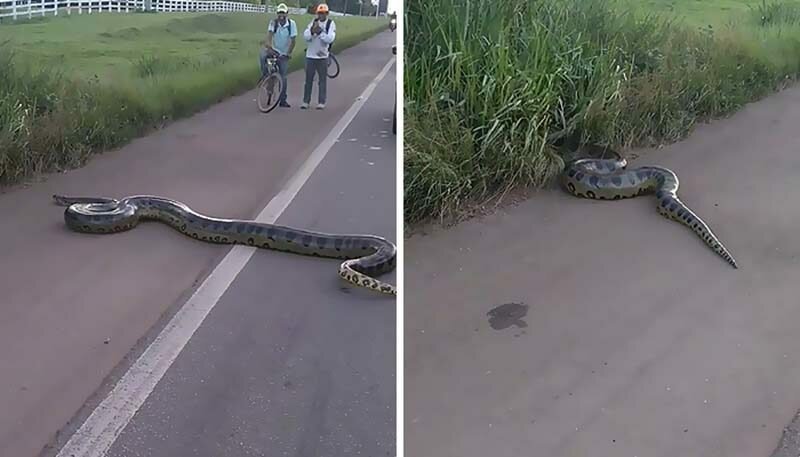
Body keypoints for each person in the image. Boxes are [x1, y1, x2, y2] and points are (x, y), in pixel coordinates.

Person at [260, 3, 296, 108]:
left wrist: (288, 53)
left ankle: (283, 100)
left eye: (283, 13)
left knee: (283, 77)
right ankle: (265, 75)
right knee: (263, 56)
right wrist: (269, 47)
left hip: (283, 53)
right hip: (274, 50)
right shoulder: (273, 23)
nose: (281, 15)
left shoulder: (291, 24)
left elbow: (293, 41)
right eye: (280, 13)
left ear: (287, 14)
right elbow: (269, 36)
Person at [301, 3, 336, 110]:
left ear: (327, 14)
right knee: (308, 80)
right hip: (311, 55)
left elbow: (330, 39)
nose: (321, 15)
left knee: (322, 81)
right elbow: (306, 36)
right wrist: (312, 31)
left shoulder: (330, 24)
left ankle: (321, 101)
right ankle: (306, 101)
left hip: (322, 56)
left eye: (323, 13)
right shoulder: (313, 23)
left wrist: (320, 33)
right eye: (320, 13)